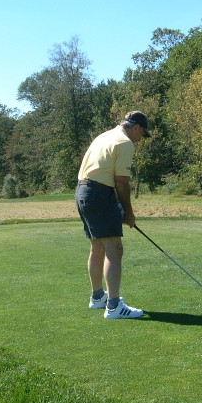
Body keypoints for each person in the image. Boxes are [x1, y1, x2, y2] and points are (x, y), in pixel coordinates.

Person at [75, 111, 151, 319]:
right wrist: (129, 212)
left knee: (97, 246)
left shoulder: (105, 136)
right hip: (99, 194)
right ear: (135, 128)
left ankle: (98, 297)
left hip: (83, 191)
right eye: (142, 134)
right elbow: (122, 182)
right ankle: (114, 306)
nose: (140, 139)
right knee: (114, 250)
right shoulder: (125, 143)